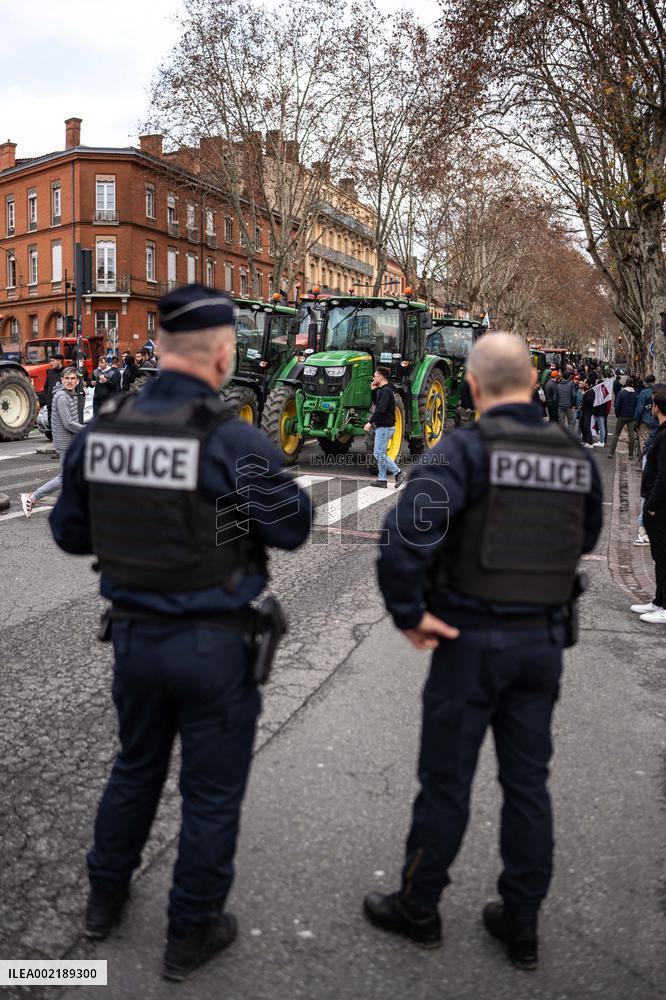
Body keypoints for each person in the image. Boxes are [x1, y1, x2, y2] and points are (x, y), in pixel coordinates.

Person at [49, 285, 312, 982]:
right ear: (224, 355)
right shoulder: (234, 440)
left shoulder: (107, 430)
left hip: (135, 638)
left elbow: (70, 533)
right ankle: (189, 933)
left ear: (159, 348)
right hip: (215, 644)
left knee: (135, 768)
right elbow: (291, 527)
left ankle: (103, 901)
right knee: (210, 793)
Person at [363, 333, 602, 971]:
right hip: (542, 642)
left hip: (467, 642)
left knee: (445, 784)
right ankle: (520, 922)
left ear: (472, 386)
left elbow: (403, 541)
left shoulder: (459, 453)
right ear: (532, 382)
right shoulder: (574, 457)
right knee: (528, 785)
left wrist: (411, 615)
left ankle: (420, 909)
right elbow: (586, 534)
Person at [21, 368, 85, 518]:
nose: (70, 381)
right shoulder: (62, 396)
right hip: (65, 442)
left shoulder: (71, 394)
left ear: (77, 380)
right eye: (67, 378)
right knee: (65, 478)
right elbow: (68, 423)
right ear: (62, 380)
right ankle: (32, 498)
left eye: (73, 378)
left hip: (71, 441)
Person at [631, 388, 666, 622]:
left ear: (656, 407)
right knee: (658, 556)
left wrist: (651, 505)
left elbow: (664, 475)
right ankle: (658, 601)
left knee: (663, 557)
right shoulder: (661, 432)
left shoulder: (665, 435)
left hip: (660, 507)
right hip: (657, 505)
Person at [364, 366, 404, 489]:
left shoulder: (386, 391)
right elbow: (377, 404)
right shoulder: (385, 390)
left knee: (379, 453)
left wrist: (370, 422)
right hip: (384, 426)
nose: (373, 377)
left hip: (385, 427)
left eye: (375, 376)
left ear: (380, 377)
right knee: (380, 453)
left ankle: (399, 472)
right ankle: (382, 479)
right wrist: (372, 390)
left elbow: (380, 409)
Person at [608, 376, 637, 459]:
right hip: (631, 416)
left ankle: (611, 453)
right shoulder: (635, 394)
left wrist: (618, 415)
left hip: (622, 416)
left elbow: (617, 406)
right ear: (632, 384)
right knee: (631, 435)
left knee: (616, 434)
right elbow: (637, 406)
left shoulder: (621, 393)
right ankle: (631, 454)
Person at [635, 374, 656, 456]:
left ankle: (645, 462)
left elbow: (639, 409)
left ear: (645, 383)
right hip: (657, 420)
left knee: (644, 441)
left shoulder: (644, 393)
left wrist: (637, 420)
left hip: (645, 420)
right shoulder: (659, 392)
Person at [44, 353, 65, 426]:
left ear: (59, 361)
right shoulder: (50, 373)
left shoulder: (66, 372)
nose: (51, 363)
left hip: (62, 406)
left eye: (53, 361)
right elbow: (46, 387)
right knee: (52, 427)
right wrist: (47, 400)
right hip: (51, 406)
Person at [579, 381, 596, 448]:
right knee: (582, 425)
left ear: (587, 384)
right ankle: (585, 440)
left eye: (585, 383)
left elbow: (590, 401)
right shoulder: (585, 390)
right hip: (583, 410)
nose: (583, 384)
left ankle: (590, 442)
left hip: (588, 412)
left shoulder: (591, 391)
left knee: (587, 426)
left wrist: (584, 395)